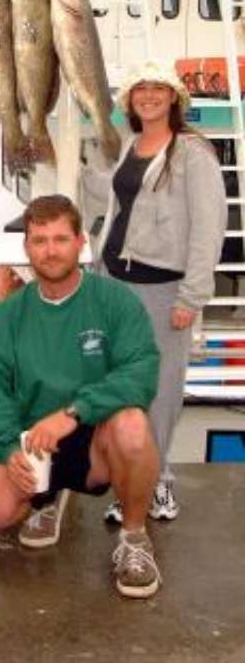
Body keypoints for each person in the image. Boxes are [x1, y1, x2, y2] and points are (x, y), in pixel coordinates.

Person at [0, 195, 162, 599]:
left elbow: (141, 372)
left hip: (96, 438)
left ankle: (135, 539)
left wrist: (75, 412)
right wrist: (5, 451)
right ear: (27, 247)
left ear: (80, 242)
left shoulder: (115, 301)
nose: (50, 251)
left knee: (134, 426)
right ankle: (44, 501)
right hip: (33, 444)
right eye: (39, 241)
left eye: (60, 239)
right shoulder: (7, 317)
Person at [85, 59, 226, 524]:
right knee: (124, 389)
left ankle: (158, 484)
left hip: (164, 291)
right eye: (140, 89)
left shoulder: (192, 152)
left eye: (157, 90)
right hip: (116, 284)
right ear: (130, 100)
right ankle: (130, 481)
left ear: (173, 99)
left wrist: (192, 297)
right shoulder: (130, 146)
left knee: (161, 392)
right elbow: (110, 196)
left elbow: (209, 227)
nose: (148, 96)